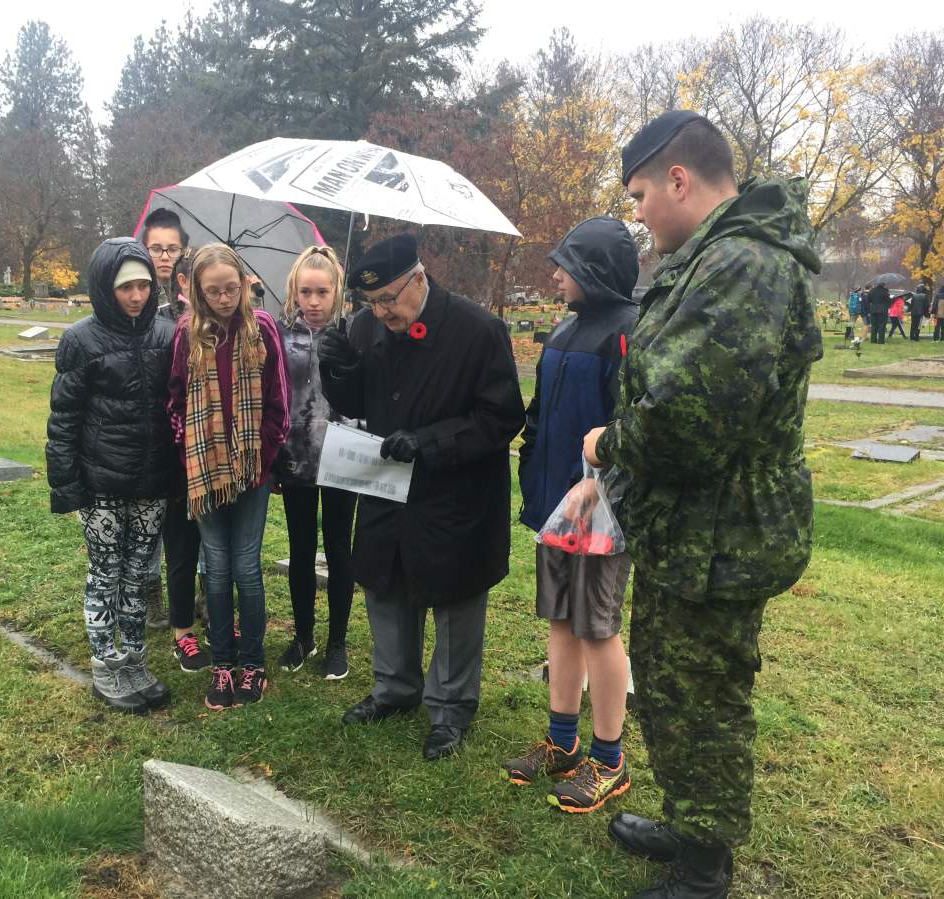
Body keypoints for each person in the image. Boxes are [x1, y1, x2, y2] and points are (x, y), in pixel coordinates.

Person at [583, 111, 822, 898]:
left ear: (678, 180)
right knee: (674, 676)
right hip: (695, 525)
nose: (641, 213)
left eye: (641, 194)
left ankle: (705, 863)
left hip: (725, 530)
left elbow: (688, 416)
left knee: (706, 692)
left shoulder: (745, 264)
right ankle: (691, 820)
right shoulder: (716, 257)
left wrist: (609, 445)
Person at [318, 233, 524, 760]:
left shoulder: (478, 329)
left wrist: (431, 441)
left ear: (419, 277)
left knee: (453, 595)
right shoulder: (365, 327)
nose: (382, 311)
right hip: (388, 486)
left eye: (390, 298)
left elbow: (500, 417)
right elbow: (352, 399)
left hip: (456, 491)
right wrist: (338, 365)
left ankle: (451, 709)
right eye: (372, 302)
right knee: (385, 585)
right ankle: (395, 688)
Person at [504, 216, 638, 817]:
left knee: (597, 629)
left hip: (602, 515)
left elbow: (632, 428)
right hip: (555, 507)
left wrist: (602, 485)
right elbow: (542, 413)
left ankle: (609, 759)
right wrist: (532, 469)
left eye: (565, 265)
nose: (555, 275)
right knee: (560, 620)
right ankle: (562, 743)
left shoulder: (628, 333)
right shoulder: (561, 331)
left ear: (595, 270)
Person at [45, 237, 182, 714]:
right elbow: (64, 418)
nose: (138, 295)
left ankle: (136, 659)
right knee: (105, 573)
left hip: (151, 481)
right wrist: (67, 485)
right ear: (106, 286)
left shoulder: (166, 334)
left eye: (144, 285)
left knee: (139, 573)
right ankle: (107, 663)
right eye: (127, 287)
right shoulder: (81, 340)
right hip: (102, 482)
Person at [167, 243, 290, 710]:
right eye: (214, 291)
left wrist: (263, 457)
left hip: (252, 470)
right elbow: (175, 401)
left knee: (246, 568)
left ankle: (253, 664)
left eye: (232, 288)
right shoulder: (187, 334)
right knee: (216, 569)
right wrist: (189, 452)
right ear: (196, 291)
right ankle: (223, 664)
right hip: (204, 470)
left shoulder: (262, 330)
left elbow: (279, 401)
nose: (224, 298)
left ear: (245, 285)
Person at [275, 246, 358, 680]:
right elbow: (274, 397)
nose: (313, 301)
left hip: (343, 456)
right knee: (301, 549)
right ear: (293, 291)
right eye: (305, 291)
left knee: (340, 549)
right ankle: (303, 634)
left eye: (322, 292)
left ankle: (337, 641)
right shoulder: (281, 335)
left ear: (336, 292)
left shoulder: (353, 334)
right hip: (296, 458)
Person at [139, 209, 192, 629]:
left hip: (185, 423)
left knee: (187, 517)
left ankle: (197, 593)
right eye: (157, 248)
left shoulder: (189, 303)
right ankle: (149, 591)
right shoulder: (136, 298)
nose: (164, 256)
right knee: (150, 518)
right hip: (146, 426)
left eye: (172, 248)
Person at [162, 253, 212, 674]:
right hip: (180, 461)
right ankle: (182, 633)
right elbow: (171, 397)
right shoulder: (168, 324)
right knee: (182, 552)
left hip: (218, 463)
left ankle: (215, 617)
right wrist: (183, 449)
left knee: (217, 552)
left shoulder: (232, 326)